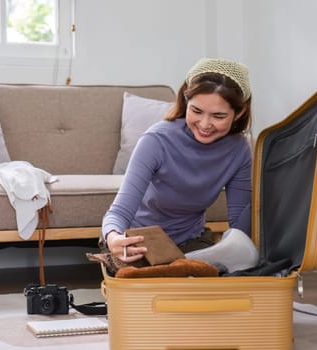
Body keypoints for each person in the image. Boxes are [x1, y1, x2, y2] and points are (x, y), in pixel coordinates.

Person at [102, 57, 253, 264]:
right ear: (185, 100)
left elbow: (239, 229)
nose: (205, 124)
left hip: (192, 243)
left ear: (239, 112)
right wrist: (113, 238)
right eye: (196, 111)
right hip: (141, 241)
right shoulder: (156, 140)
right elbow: (119, 212)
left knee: (211, 279)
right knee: (150, 286)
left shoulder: (239, 150)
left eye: (218, 116)